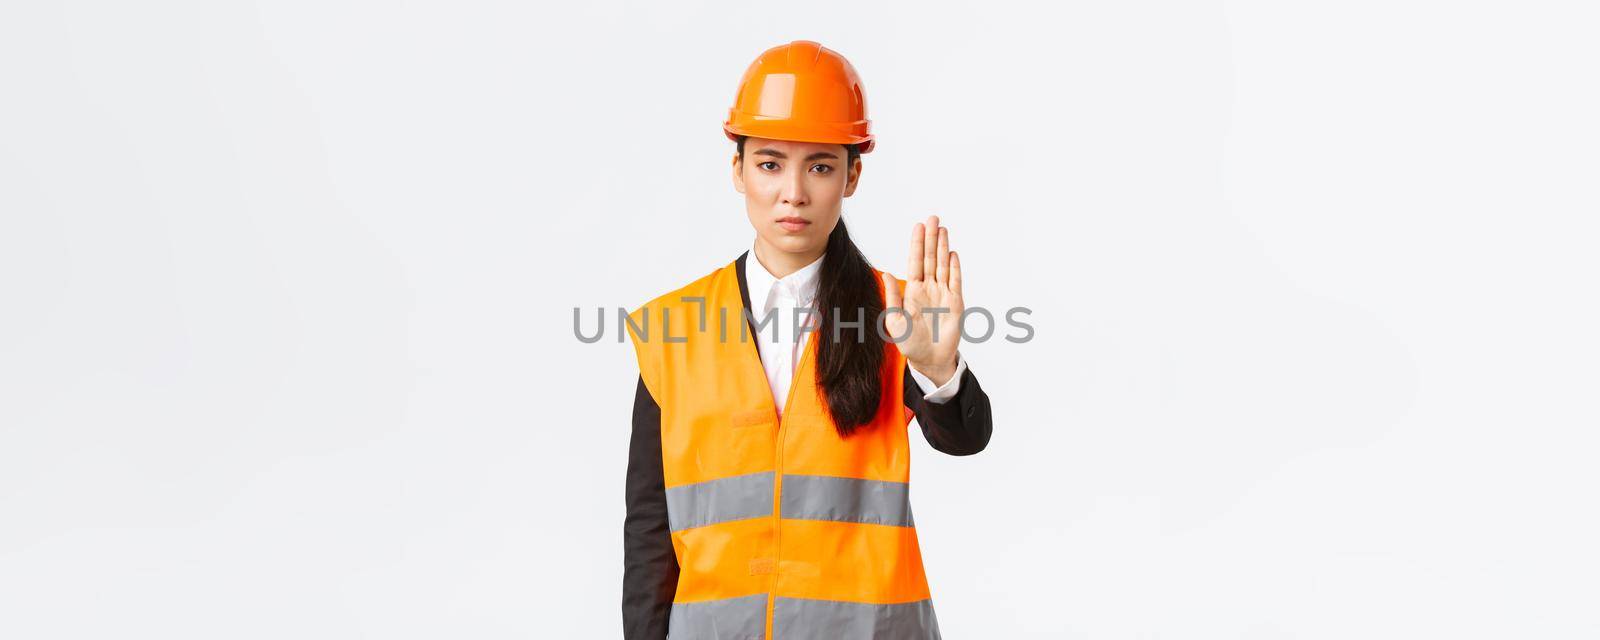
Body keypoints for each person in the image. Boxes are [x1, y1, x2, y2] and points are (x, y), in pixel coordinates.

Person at [622, 40, 993, 639]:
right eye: (770, 163)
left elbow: (966, 438)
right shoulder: (672, 328)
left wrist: (939, 369)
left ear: (852, 176)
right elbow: (649, 526)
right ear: (737, 169)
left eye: (820, 165)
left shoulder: (899, 314)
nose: (793, 191)